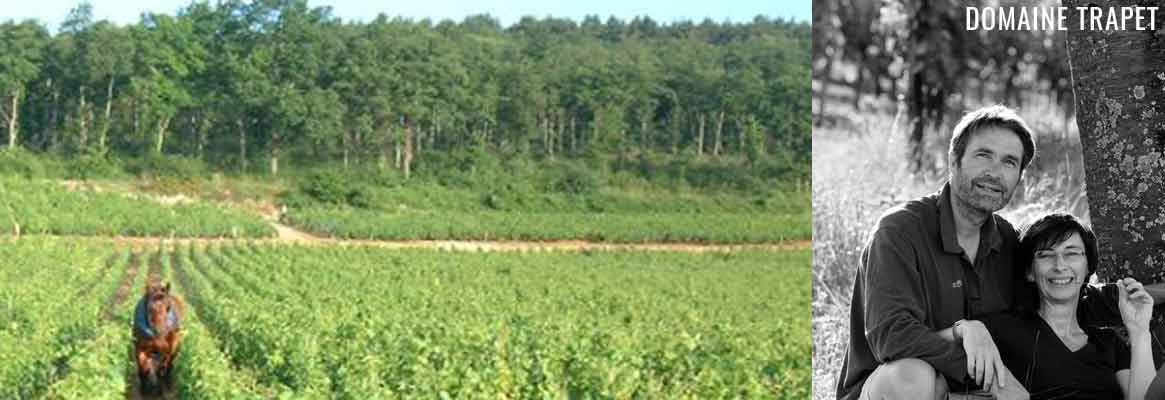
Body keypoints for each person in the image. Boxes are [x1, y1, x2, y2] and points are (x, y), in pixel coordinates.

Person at [835, 105, 1134, 400]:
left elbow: (1059, 288)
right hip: (898, 388)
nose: (994, 172)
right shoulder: (899, 232)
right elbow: (892, 336)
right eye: (983, 155)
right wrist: (975, 349)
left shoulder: (1004, 239)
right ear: (954, 160)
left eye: (1009, 162)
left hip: (973, 394)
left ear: (1018, 177)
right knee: (912, 376)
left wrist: (1151, 294)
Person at [970, 213, 1154, 400]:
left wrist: (1140, 331)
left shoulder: (1108, 343)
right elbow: (941, 348)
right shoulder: (1003, 332)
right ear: (1029, 272)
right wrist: (966, 328)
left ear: (1088, 266)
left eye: (1071, 253)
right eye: (1046, 255)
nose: (1059, 265)